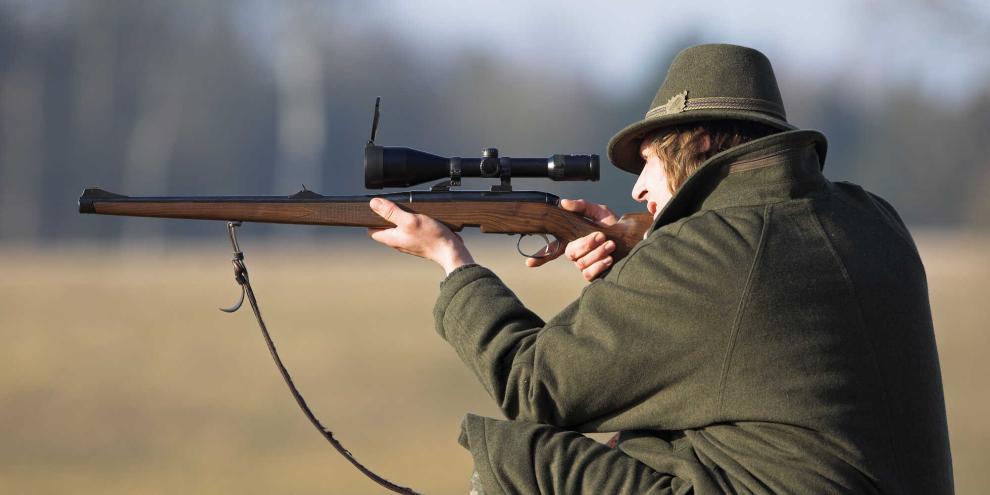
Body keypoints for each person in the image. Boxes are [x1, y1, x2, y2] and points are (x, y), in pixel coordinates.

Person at [367, 44, 953, 494]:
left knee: (517, 456)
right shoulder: (873, 219)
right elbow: (761, 295)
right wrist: (644, 249)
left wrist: (452, 261)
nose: (641, 186)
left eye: (649, 162)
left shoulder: (708, 252)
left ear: (697, 143)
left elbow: (532, 387)